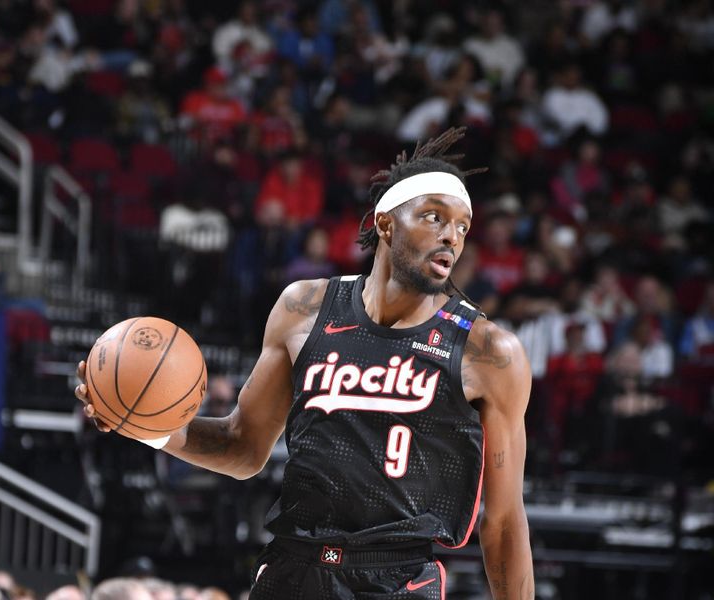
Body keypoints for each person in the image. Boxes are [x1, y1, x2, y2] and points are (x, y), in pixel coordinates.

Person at [76, 128, 534, 599]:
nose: (450, 236)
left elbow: (502, 521)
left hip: (397, 579)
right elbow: (243, 447)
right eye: (434, 217)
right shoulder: (305, 308)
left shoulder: (490, 352)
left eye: (462, 226)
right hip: (292, 570)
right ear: (385, 223)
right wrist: (145, 425)